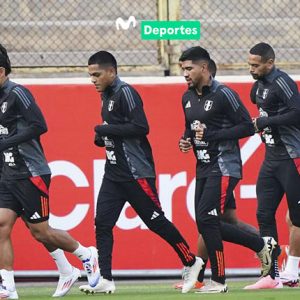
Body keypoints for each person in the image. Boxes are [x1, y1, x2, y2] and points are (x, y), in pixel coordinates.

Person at [79, 50, 203, 295]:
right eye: (90, 75)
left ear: (112, 72)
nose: (93, 79)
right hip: (114, 173)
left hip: (136, 172)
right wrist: (103, 136)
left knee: (155, 221)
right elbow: (115, 131)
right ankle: (105, 278)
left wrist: (104, 129)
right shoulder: (106, 94)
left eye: (97, 74)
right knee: (102, 223)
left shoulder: (126, 92)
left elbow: (140, 127)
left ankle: (191, 261)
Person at [0, 44, 100, 298]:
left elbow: (38, 125)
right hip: (8, 173)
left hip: (31, 172)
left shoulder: (18, 94)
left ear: (1, 71)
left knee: (40, 231)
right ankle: (7, 286)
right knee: (1, 225)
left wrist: (6, 142)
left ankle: (86, 254)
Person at [178, 46, 276, 293]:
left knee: (206, 220)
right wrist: (185, 139)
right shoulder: (187, 97)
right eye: (182, 69)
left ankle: (219, 280)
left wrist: (215, 135)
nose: (185, 74)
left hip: (223, 166)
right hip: (203, 167)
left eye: (189, 68)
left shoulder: (224, 94)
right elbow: (191, 128)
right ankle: (261, 245)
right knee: (211, 222)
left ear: (204, 68)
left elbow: (247, 126)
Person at [244, 42, 300, 289]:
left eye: (256, 65)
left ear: (270, 62)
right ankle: (271, 273)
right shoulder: (258, 87)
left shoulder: (283, 82)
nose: (252, 69)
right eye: (250, 65)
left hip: (292, 156)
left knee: (297, 218)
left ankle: (292, 272)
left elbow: (297, 113)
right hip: (271, 158)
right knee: (264, 214)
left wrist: (267, 121)